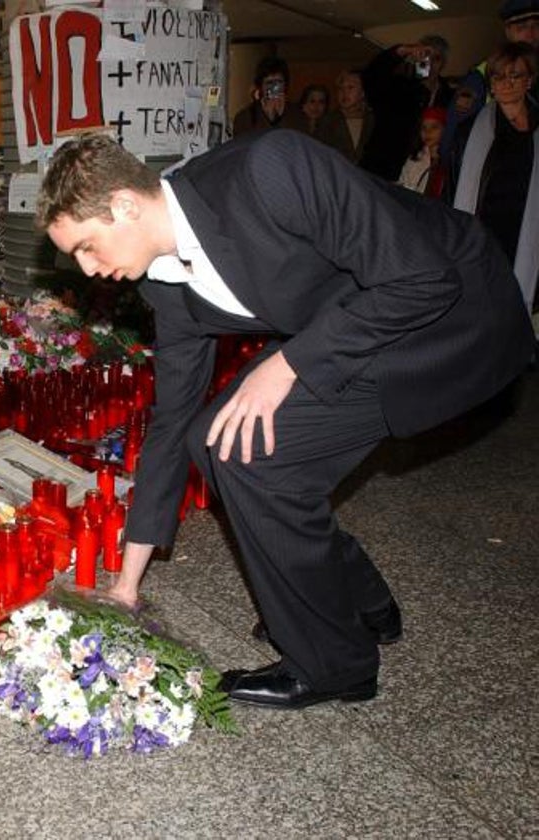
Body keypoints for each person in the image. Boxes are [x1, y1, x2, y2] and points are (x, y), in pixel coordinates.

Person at [37, 131, 532, 709]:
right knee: (210, 440)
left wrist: (289, 363)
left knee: (246, 455)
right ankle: (361, 603)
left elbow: (422, 278)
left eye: (87, 247)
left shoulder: (270, 171)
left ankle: (334, 665)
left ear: (124, 205)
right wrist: (126, 585)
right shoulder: (163, 286)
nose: (89, 269)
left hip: (447, 310)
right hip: (359, 321)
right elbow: (171, 425)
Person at [450, 41, 539, 315]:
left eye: (516, 75)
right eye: (498, 77)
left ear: (530, 81)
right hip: (485, 233)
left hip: (530, 231)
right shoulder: (468, 131)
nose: (507, 84)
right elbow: (453, 188)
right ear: (490, 84)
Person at [361, 36, 456, 180]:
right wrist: (402, 51)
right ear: (417, 59)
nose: (429, 63)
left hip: (426, 174)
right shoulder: (399, 88)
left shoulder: (450, 98)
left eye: (435, 59)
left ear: (442, 63)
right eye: (425, 57)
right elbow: (371, 76)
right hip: (384, 170)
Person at [231, 56, 308, 137]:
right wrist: (269, 118)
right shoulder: (245, 117)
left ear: (285, 85)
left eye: (278, 82)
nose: (274, 88)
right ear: (260, 86)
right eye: (269, 83)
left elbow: (300, 141)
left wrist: (280, 118)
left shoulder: (297, 114)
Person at [317, 70, 375, 165]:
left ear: (363, 92)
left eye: (350, 88)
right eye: (340, 88)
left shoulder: (373, 121)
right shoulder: (328, 121)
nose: (344, 93)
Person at [397, 106, 448, 197]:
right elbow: (403, 180)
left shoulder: (446, 160)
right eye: (423, 128)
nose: (428, 132)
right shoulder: (415, 156)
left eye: (434, 127)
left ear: (445, 130)